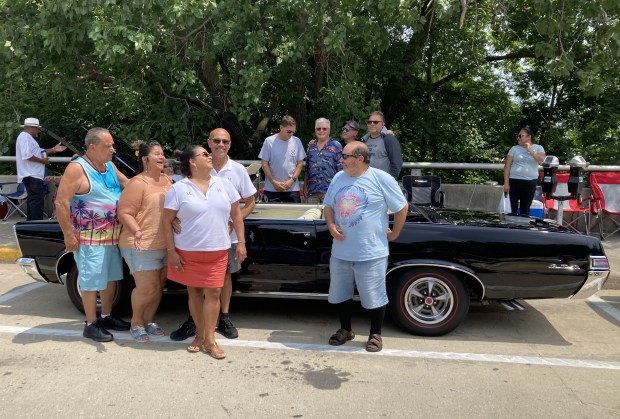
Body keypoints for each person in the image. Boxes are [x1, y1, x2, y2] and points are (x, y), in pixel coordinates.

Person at [170, 128, 256, 342]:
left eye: (225, 141)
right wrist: (172, 218)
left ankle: (223, 318)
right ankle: (196, 322)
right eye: (216, 141)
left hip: (225, 238)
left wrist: (233, 224)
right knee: (196, 285)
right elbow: (174, 199)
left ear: (230, 144)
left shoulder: (237, 170)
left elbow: (250, 202)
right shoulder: (191, 173)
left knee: (222, 280)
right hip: (196, 239)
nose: (221, 145)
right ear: (209, 142)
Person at [323, 142, 408, 352]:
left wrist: (395, 233)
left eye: (345, 156)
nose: (340, 159)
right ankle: (345, 329)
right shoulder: (338, 177)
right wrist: (331, 225)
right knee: (341, 293)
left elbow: (401, 206)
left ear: (360, 158)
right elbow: (328, 206)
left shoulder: (381, 178)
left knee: (374, 294)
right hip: (341, 251)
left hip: (370, 251)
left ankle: (375, 334)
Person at [55, 127, 130, 342]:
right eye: (108, 147)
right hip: (89, 238)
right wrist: (68, 235)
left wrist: (153, 184)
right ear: (92, 147)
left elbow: (126, 183)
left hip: (112, 236)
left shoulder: (108, 165)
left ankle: (106, 316)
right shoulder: (77, 168)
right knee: (91, 281)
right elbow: (61, 202)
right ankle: (91, 323)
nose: (113, 150)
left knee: (111, 278)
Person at [118, 140, 173, 342]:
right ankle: (136, 322)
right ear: (144, 159)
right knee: (146, 287)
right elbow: (124, 212)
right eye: (156, 154)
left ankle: (149, 321)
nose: (162, 157)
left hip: (165, 243)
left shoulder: (167, 180)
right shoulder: (138, 183)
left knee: (158, 286)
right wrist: (137, 231)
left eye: (162, 153)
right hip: (140, 244)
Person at [15, 117, 66, 220]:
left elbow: (40, 152)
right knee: (36, 203)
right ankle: (36, 226)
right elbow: (27, 156)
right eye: (37, 128)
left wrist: (53, 150)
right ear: (31, 127)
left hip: (32, 175)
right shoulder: (25, 137)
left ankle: (30, 226)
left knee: (33, 203)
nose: (38, 131)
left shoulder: (27, 138)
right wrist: (43, 161)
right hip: (32, 175)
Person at [258, 115, 306, 203]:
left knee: (294, 216)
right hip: (272, 189)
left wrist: (292, 181)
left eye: (293, 132)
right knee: (270, 216)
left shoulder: (297, 141)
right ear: (281, 127)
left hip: (292, 189)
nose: (291, 134)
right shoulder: (269, 141)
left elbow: (300, 163)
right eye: (289, 131)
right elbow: (264, 164)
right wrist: (273, 182)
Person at [503, 126, 546, 216]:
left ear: (528, 136)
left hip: (529, 182)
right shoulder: (514, 148)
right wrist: (506, 183)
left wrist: (530, 150)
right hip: (514, 181)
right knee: (511, 208)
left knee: (525, 209)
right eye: (518, 136)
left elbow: (541, 159)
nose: (518, 138)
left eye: (520, 136)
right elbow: (507, 166)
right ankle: (510, 227)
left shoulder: (538, 148)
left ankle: (522, 228)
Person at [303, 118, 342, 204]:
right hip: (312, 191)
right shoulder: (311, 146)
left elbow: (341, 170)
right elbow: (307, 168)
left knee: (327, 217)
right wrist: (305, 185)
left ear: (329, 130)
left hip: (330, 191)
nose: (321, 131)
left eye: (324, 129)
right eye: (318, 128)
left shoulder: (336, 146)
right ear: (315, 130)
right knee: (310, 216)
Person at [361, 111, 403, 179]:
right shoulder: (364, 140)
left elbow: (397, 163)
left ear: (383, 124)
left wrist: (390, 181)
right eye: (370, 122)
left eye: (375, 122)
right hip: (366, 182)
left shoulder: (389, 140)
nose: (372, 124)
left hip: (382, 183)